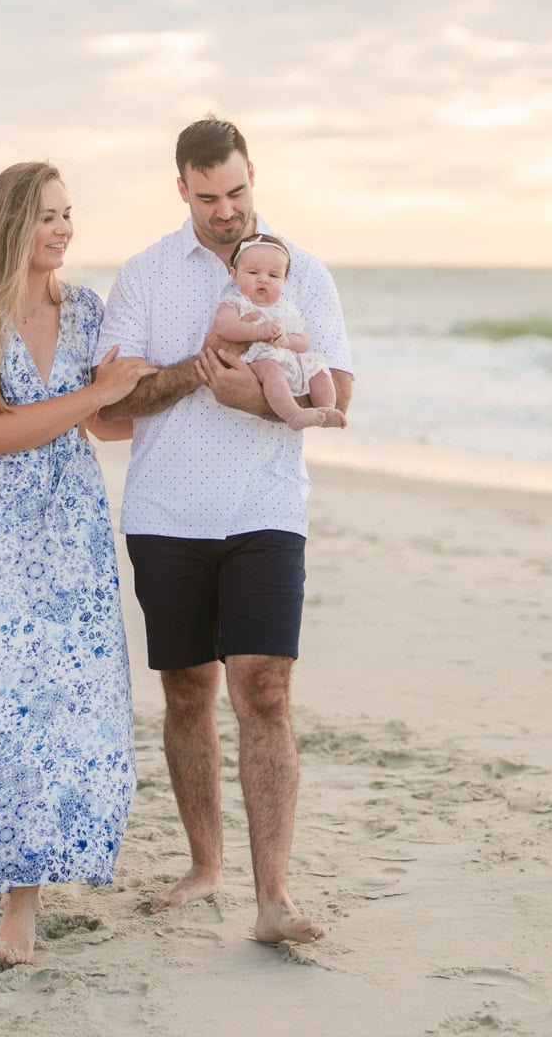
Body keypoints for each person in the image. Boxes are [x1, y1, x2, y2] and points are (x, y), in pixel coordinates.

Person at [96, 117, 353, 945]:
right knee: (187, 694)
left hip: (266, 507)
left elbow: (339, 389)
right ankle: (205, 866)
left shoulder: (302, 270)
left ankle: (272, 897)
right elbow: (110, 405)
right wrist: (189, 377)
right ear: (182, 190)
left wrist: (260, 400)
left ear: (253, 180)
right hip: (167, 512)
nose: (225, 211)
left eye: (237, 192)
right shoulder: (142, 276)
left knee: (264, 689)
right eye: (207, 197)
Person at [0, 161, 155, 966]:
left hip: (72, 531)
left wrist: (189, 387)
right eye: (48, 216)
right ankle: (20, 905)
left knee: (80, 702)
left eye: (68, 214)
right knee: (11, 706)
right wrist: (97, 397)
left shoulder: (86, 310)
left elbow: (108, 423)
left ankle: (50, 863)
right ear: (10, 223)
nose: (64, 229)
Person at [212, 233, 345, 430]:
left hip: (286, 359)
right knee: (270, 370)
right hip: (254, 361)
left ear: (284, 280)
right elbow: (223, 327)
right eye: (253, 273)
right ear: (234, 274)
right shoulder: (236, 303)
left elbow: (303, 340)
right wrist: (257, 333)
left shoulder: (286, 309)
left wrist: (287, 341)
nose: (263, 280)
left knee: (316, 363)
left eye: (273, 276)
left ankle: (327, 409)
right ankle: (293, 414)